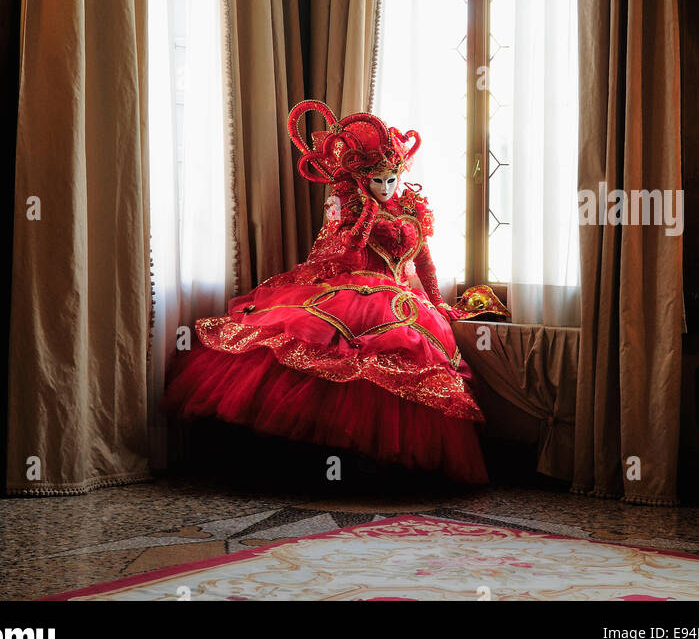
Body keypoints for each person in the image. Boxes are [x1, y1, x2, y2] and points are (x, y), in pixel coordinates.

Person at [162, 99, 488, 483]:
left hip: (402, 298)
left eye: (391, 178)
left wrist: (437, 303)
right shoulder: (348, 207)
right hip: (352, 286)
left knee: (408, 353)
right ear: (360, 178)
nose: (385, 187)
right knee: (322, 349)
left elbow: (424, 264)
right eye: (376, 180)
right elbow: (341, 252)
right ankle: (312, 461)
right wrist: (362, 219)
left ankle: (377, 466)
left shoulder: (413, 210)